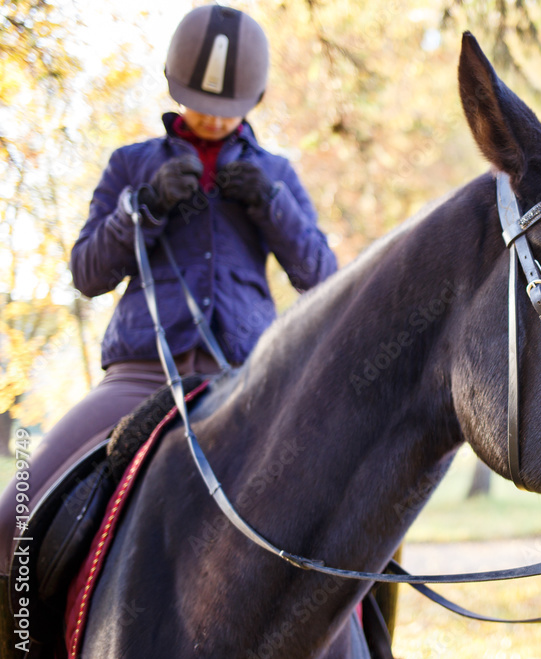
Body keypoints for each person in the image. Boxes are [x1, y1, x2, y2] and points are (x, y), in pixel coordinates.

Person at [0, 5, 337, 589]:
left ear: (253, 102)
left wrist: (271, 205)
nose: (210, 119)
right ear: (173, 87)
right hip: (139, 377)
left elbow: (322, 278)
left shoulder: (276, 172)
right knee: (13, 515)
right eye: (199, 104)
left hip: (248, 376)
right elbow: (85, 274)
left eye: (225, 110)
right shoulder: (130, 165)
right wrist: (142, 208)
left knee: (343, 508)